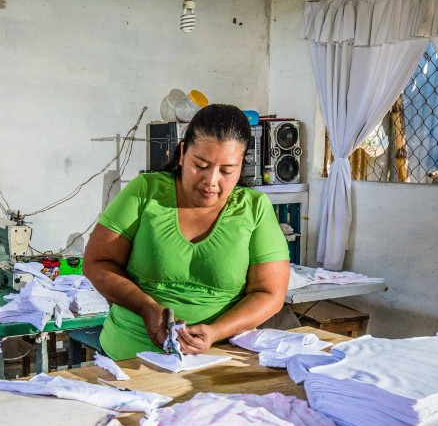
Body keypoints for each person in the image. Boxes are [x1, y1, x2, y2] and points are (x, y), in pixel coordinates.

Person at [83, 104, 290, 361]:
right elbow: (97, 262)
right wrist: (146, 307)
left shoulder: (255, 208)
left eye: (227, 171)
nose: (211, 181)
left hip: (218, 359)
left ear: (241, 167)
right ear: (182, 153)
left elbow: (270, 293)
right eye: (200, 165)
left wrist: (215, 331)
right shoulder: (145, 192)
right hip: (129, 357)